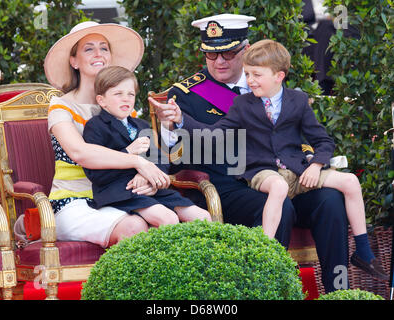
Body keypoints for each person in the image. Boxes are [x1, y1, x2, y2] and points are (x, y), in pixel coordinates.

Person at [150, 13, 351, 292]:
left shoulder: (268, 85)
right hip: (227, 186)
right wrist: (170, 126)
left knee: (329, 199)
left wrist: (308, 162)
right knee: (280, 204)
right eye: (211, 55)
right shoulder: (185, 95)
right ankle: (269, 292)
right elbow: (171, 158)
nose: (219, 62)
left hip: (280, 177)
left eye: (229, 53)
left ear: (245, 50)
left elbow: (299, 138)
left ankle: (339, 292)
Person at [45, 21, 171, 248]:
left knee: (175, 216)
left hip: (119, 196)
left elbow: (148, 152)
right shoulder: (61, 106)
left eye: (104, 48)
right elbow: (80, 153)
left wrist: (146, 179)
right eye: (88, 48)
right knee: (135, 227)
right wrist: (136, 161)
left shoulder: (122, 105)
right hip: (74, 202)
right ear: (74, 61)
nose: (98, 54)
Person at [82, 66, 212, 226]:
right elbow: (95, 173)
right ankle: (172, 251)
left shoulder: (141, 125)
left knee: (202, 216)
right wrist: (128, 152)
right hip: (118, 192)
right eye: (118, 94)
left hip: (150, 189)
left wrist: (147, 177)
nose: (126, 99)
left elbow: (161, 160)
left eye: (130, 94)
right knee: (167, 218)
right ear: (101, 100)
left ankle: (204, 251)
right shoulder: (95, 126)